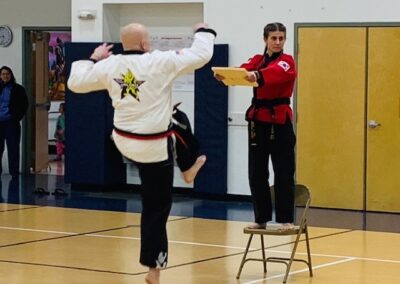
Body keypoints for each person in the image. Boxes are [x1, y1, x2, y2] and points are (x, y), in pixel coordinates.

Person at [68, 22, 216, 284]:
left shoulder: (109, 65)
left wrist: (93, 58)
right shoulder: (160, 61)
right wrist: (203, 31)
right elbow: (202, 55)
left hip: (123, 140)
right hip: (152, 145)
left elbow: (76, 82)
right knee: (156, 208)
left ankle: (187, 167)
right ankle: (153, 271)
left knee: (175, 116)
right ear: (146, 44)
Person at [216, 23, 296, 230]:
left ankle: (286, 219)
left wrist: (257, 76)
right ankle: (261, 218)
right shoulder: (257, 60)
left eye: (281, 38)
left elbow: (274, 73)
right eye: (274, 38)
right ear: (265, 39)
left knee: (284, 171)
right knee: (257, 172)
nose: (278, 42)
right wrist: (226, 75)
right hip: (258, 121)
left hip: (280, 121)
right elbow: (244, 71)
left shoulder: (287, 61)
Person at [0, 66, 29, 178]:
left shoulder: (18, 89)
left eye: (7, 74)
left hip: (11, 123)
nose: (5, 76)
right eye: (3, 74)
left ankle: (14, 173)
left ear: (11, 75)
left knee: (13, 148)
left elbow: (24, 105)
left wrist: (15, 117)